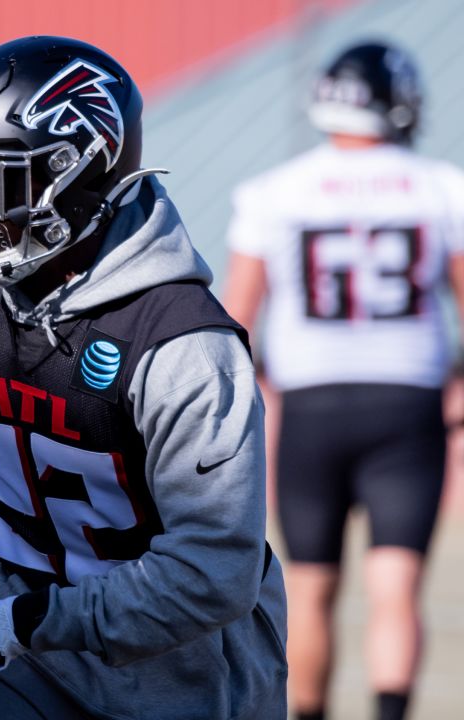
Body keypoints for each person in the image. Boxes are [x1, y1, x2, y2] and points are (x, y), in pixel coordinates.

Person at [0, 36, 287, 719]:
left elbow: (214, 571)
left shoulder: (180, 343)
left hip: (183, 686)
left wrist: (22, 622)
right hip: (24, 661)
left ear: (77, 178)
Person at [222, 41, 462, 720]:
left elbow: (237, 319)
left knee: (310, 589)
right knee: (396, 589)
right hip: (407, 402)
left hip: (311, 405)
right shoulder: (442, 187)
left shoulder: (274, 190)